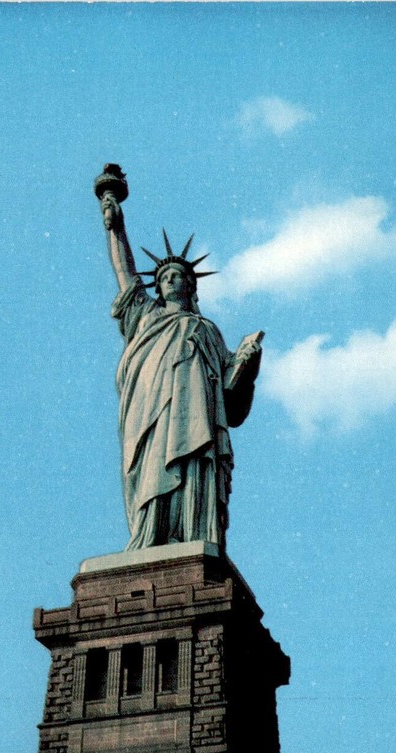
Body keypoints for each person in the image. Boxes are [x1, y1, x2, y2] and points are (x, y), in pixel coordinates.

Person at [99, 182, 262, 551]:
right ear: (157, 287)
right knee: (155, 466)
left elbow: (231, 401)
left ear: (192, 286)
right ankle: (151, 534)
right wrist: (114, 227)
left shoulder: (207, 330)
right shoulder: (145, 316)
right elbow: (124, 272)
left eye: (180, 277)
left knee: (195, 463)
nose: (172, 280)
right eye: (164, 277)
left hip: (196, 420)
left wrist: (247, 366)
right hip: (151, 413)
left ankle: (194, 533)